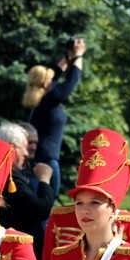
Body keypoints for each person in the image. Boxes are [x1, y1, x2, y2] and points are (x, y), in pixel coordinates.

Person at [24, 37, 86, 198]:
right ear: (45, 84)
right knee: (45, 205)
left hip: (41, 160)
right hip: (46, 162)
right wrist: (79, 56)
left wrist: (68, 57)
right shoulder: (48, 101)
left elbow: (54, 74)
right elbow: (71, 82)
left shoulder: (39, 100)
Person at [0, 122, 56, 260]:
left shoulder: (3, 173)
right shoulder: (11, 176)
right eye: (24, 147)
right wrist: (44, 180)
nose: (26, 153)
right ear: (12, 148)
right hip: (17, 251)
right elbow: (41, 208)